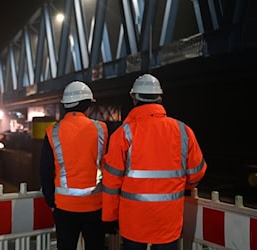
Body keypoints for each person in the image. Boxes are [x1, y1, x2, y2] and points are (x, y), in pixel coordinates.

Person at [101, 73, 207, 249]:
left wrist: (109, 217)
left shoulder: (122, 134)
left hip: (134, 221)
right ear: (160, 98)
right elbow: (197, 174)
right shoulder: (183, 131)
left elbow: (111, 183)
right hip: (168, 220)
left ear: (134, 98)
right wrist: (183, 186)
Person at [39, 80, 109, 250]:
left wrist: (51, 202)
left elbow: (45, 171)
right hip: (95, 206)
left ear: (65, 106)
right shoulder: (101, 129)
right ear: (87, 105)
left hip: (64, 207)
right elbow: (108, 165)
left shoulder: (52, 132)